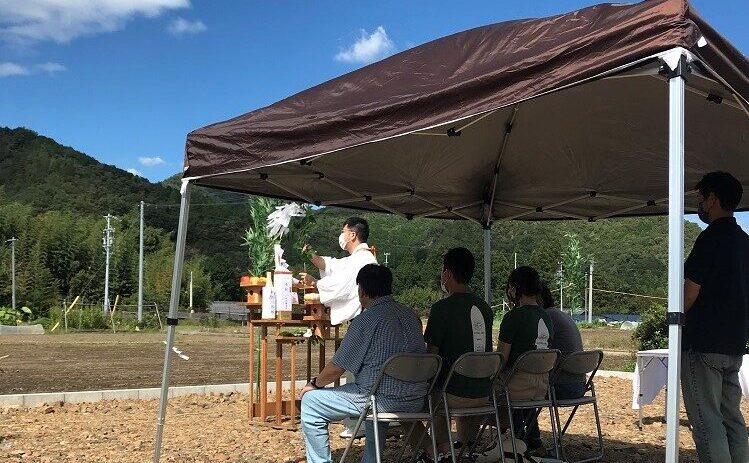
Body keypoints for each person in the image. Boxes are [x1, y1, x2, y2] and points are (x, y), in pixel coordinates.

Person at [299, 264, 428, 463]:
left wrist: (314, 384)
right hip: (416, 399)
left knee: (311, 403)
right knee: (375, 386)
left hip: (380, 401)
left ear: (362, 291)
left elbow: (337, 368)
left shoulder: (365, 321)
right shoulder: (411, 316)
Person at [682, 171, 749, 463]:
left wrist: (672, 320)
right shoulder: (744, 241)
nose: (699, 204)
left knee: (706, 421)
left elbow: (690, 293)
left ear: (713, 199)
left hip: (703, 343)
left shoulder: (709, 239)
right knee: (732, 418)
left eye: (701, 198)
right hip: (734, 344)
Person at [409, 248, 494, 463]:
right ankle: (464, 446)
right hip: (483, 393)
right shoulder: (485, 308)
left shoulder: (441, 308)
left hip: (450, 397)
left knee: (431, 393)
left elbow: (432, 358)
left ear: (446, 274)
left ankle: (443, 448)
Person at [303, 216, 378, 437]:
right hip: (365, 318)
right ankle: (358, 421)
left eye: (343, 230)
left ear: (352, 234)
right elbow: (333, 266)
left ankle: (359, 422)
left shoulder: (363, 260)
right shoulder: (357, 258)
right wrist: (310, 254)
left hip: (364, 319)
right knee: (360, 369)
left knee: (358, 368)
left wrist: (315, 283)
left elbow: (342, 285)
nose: (341, 235)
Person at [517, 282, 584, 454]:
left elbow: (534, 355)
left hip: (561, 387)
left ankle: (528, 442)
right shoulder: (559, 315)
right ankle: (525, 440)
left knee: (521, 392)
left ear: (537, 298)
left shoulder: (545, 318)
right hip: (579, 386)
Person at [496, 267, 554, 454]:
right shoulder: (546, 317)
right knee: (521, 389)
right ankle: (532, 441)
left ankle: (507, 438)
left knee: (485, 387)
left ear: (514, 288)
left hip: (515, 388)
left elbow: (501, 360)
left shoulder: (512, 318)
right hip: (541, 387)